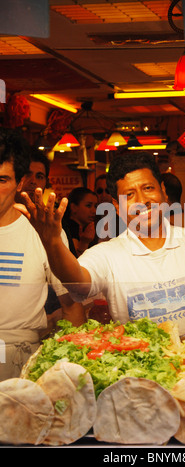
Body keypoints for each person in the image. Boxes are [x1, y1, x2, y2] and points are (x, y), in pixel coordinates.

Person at [16, 151, 185, 336]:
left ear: (163, 192)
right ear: (117, 207)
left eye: (149, 189)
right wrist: (51, 242)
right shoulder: (107, 255)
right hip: (143, 381)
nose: (142, 200)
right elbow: (79, 282)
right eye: (130, 195)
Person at [0, 130, 84, 381]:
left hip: (19, 364)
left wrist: (75, 370)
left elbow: (71, 304)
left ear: (20, 181)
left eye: (2, 179)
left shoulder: (42, 232)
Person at [16, 149, 86, 333]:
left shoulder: (50, 230)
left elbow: (70, 300)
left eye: (39, 176)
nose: (32, 181)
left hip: (26, 341)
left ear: (46, 182)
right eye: (27, 173)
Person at [62, 187, 98, 257]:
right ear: (73, 207)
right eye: (88, 205)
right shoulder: (69, 227)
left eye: (95, 206)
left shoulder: (85, 228)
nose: (94, 211)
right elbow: (74, 259)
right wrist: (84, 242)